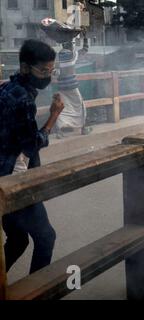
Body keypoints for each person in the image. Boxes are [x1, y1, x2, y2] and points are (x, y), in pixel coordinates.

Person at [0, 39, 64, 274]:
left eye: (51, 70)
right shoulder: (24, 99)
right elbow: (30, 145)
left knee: (18, 240)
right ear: (25, 68)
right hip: (15, 179)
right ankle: (38, 292)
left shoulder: (7, 88)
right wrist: (54, 116)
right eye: (44, 71)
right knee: (46, 237)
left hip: (3, 173)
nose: (48, 76)